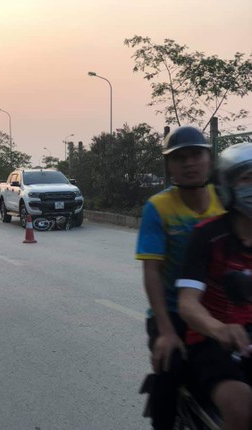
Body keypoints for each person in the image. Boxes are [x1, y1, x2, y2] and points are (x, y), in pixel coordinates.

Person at [135, 126, 225, 429]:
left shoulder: (225, 201)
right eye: (180, 157)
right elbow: (152, 272)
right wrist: (165, 330)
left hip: (220, 310)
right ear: (169, 166)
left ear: (209, 159)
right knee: (168, 374)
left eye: (196, 154)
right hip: (172, 313)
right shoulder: (158, 207)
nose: (189, 163)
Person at [177, 142, 252, 430]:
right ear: (226, 185)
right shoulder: (208, 236)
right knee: (240, 402)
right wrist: (218, 328)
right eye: (246, 178)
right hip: (211, 342)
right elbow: (187, 302)